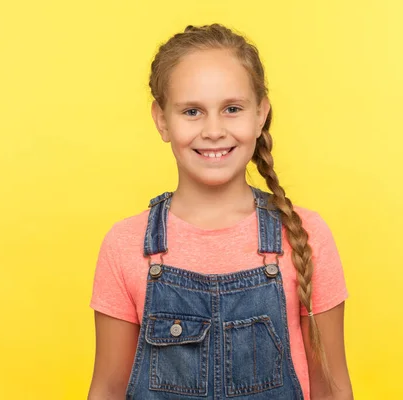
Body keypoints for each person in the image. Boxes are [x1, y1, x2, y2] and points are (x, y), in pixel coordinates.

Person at [87, 23, 353, 400]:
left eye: (232, 108)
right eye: (192, 111)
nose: (213, 130)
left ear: (260, 114)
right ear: (162, 120)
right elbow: (108, 389)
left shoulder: (305, 236)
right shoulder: (124, 245)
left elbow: (333, 389)